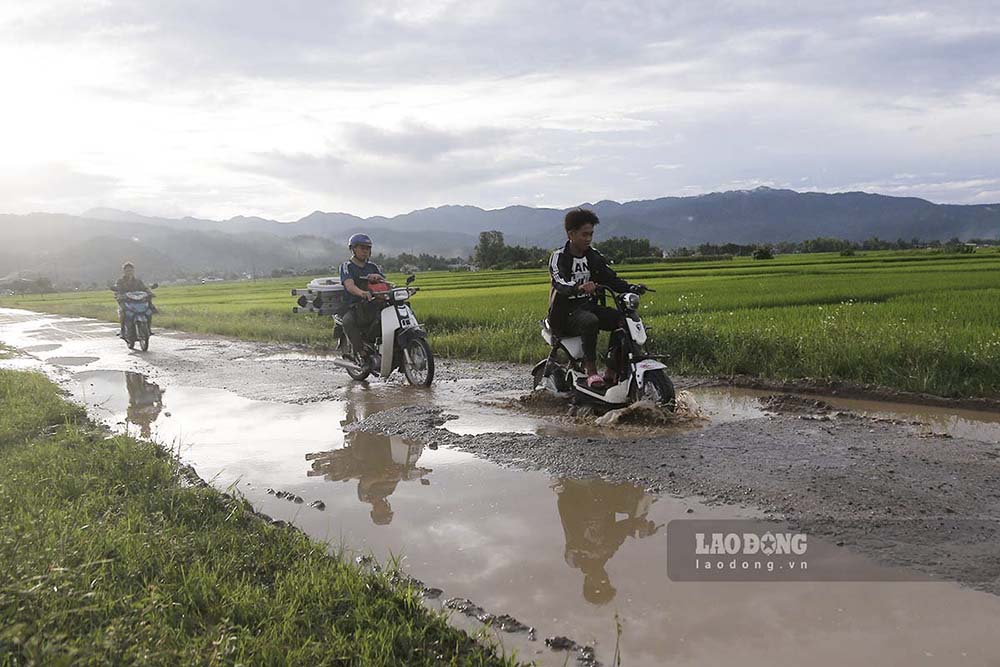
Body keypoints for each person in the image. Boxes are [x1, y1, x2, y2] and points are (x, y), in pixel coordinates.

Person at [548, 209, 643, 388]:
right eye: (584, 234)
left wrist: (631, 287)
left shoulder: (594, 255)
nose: (588, 239)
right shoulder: (559, 256)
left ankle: (612, 369)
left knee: (622, 320)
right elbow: (559, 281)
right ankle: (591, 371)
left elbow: (610, 278)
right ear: (571, 234)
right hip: (566, 312)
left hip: (589, 306)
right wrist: (578, 287)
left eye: (591, 234)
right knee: (590, 321)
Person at [340, 233, 386, 364]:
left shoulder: (373, 267)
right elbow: (349, 285)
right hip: (355, 305)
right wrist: (362, 293)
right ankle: (361, 351)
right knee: (348, 321)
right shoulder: (346, 266)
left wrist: (378, 277)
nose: (365, 251)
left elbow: (384, 284)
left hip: (374, 303)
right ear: (353, 249)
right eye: (362, 248)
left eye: (367, 248)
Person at [114, 261, 151, 338]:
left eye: (131, 270)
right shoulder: (120, 281)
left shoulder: (138, 281)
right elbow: (117, 290)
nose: (129, 272)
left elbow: (144, 288)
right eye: (127, 270)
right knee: (123, 313)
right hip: (125, 301)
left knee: (149, 311)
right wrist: (119, 295)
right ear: (124, 271)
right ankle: (123, 330)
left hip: (138, 301)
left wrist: (149, 292)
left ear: (133, 271)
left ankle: (148, 329)